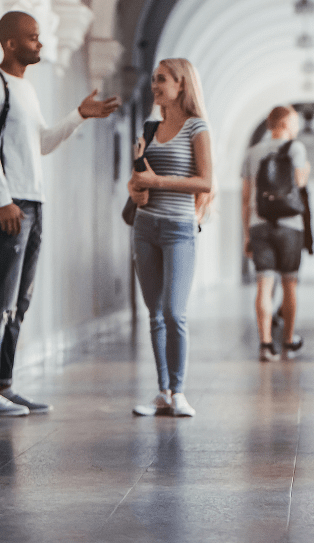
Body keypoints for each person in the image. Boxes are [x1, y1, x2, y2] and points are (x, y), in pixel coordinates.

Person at [0, 11, 120, 417]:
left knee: (20, 300)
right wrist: (2, 199)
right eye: (33, 38)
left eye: (39, 36)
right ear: (10, 43)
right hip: (7, 203)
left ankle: (4, 384)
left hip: (32, 201)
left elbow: (43, 143)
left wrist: (79, 116)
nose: (40, 43)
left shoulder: (26, 90)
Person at [128, 59, 213, 418]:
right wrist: (136, 190)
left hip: (179, 227)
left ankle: (179, 392)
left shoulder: (197, 128)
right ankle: (162, 392)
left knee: (174, 312)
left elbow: (206, 182)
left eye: (162, 79)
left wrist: (157, 182)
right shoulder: (149, 126)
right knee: (154, 314)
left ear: (182, 84)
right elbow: (136, 180)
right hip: (145, 227)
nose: (155, 85)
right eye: (153, 79)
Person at [242, 106, 310, 362]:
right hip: (290, 225)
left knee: (264, 284)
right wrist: (307, 170)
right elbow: (300, 183)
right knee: (289, 284)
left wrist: (246, 234)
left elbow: (245, 197)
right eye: (294, 122)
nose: (297, 127)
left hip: (259, 224)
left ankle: (266, 344)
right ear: (284, 123)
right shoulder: (296, 148)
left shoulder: (252, 153)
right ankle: (289, 341)